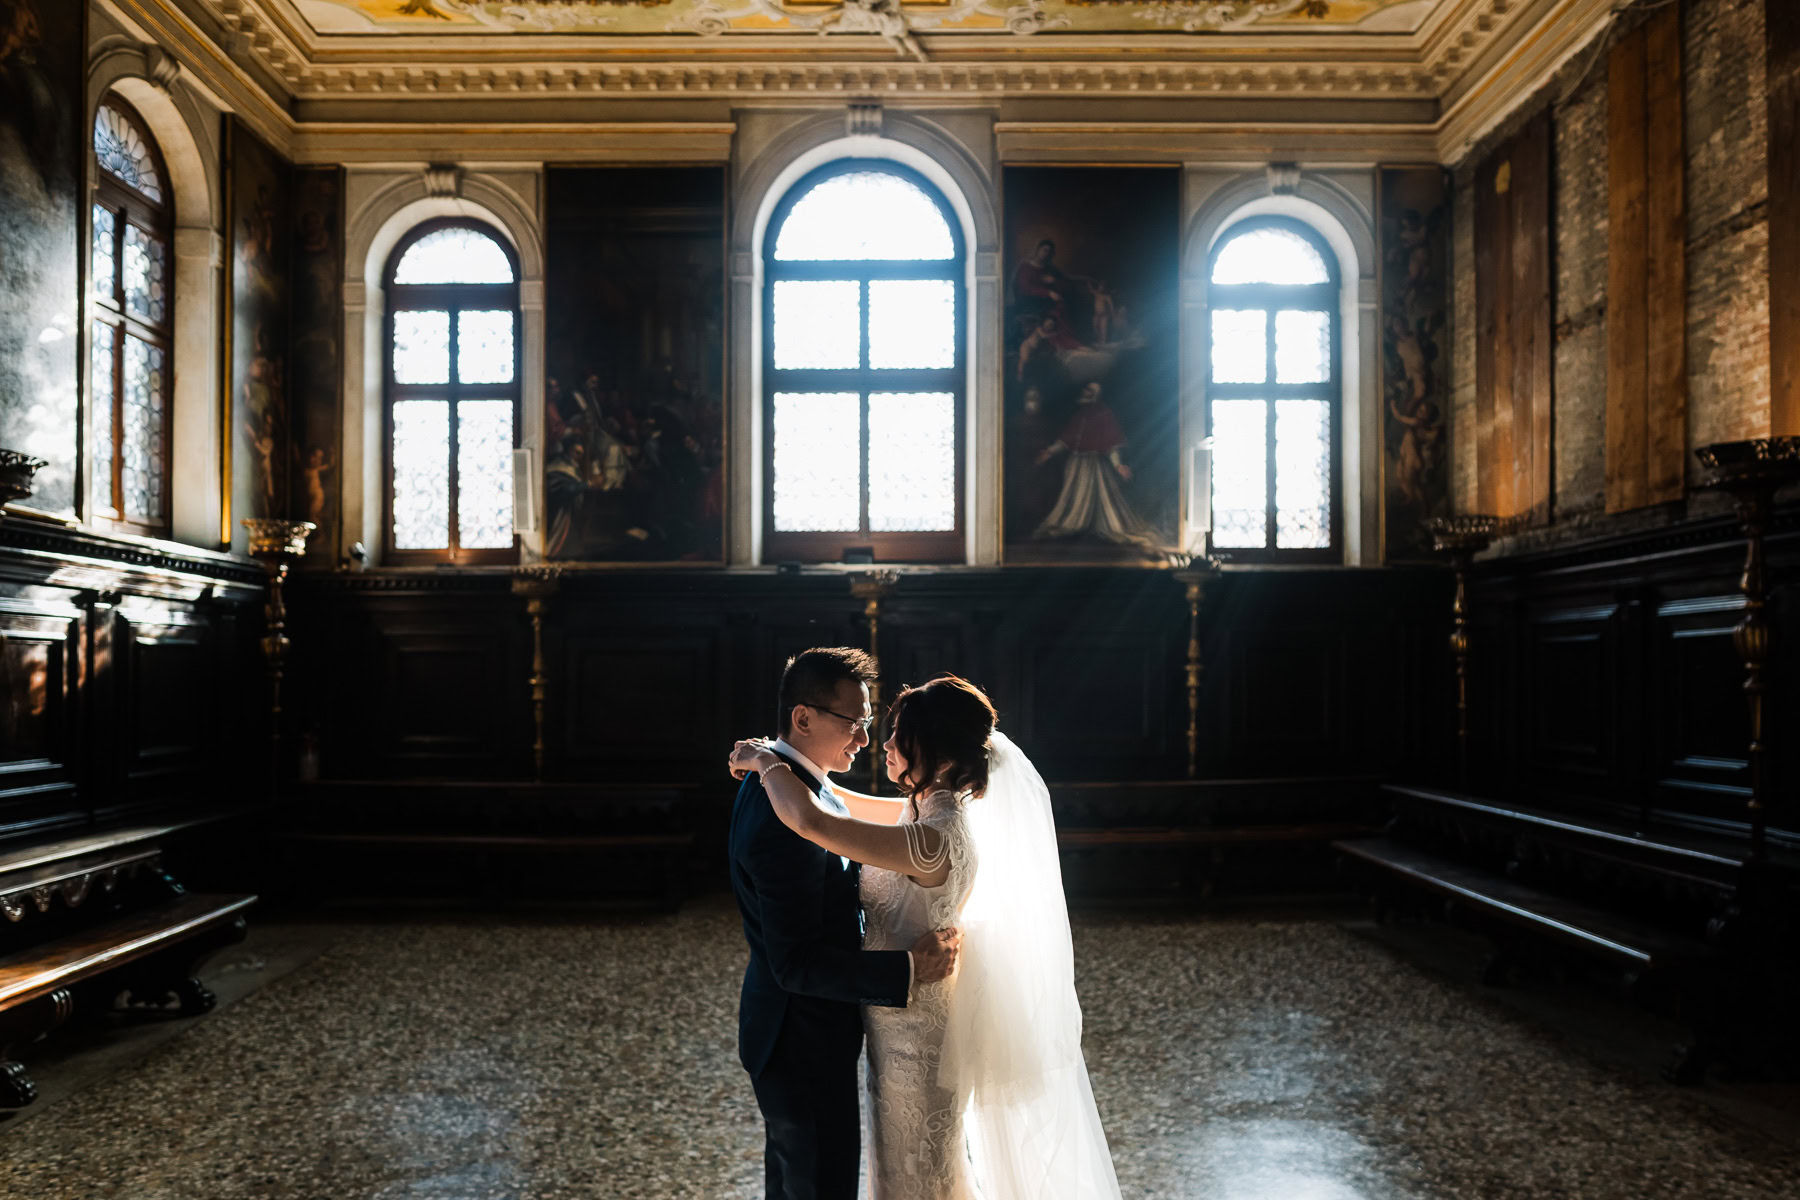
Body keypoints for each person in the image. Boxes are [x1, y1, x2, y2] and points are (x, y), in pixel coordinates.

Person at [729, 674, 1123, 1200]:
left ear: (932, 748)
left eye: (896, 734)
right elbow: (834, 801)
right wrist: (776, 758)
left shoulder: (933, 841)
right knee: (898, 1169)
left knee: (916, 1173)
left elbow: (813, 822)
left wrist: (766, 762)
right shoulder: (921, 811)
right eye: (872, 727)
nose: (881, 744)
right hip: (895, 1025)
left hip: (917, 1034)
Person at [727, 648, 961, 1200]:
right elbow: (795, 964)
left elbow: (841, 819)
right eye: (852, 723)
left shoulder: (802, 785)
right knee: (817, 1183)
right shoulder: (784, 815)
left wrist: (766, 760)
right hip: (798, 1039)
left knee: (799, 1181)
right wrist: (908, 968)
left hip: (808, 1033)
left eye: (868, 723)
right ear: (802, 718)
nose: (863, 739)